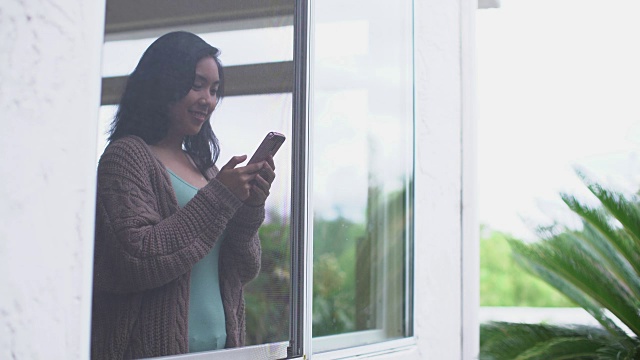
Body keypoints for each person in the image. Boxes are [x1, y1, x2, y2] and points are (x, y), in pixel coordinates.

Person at [91, 31, 276, 359]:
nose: (209, 99)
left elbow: (243, 269)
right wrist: (221, 197)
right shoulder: (126, 157)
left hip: (222, 352)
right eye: (197, 85)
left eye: (215, 90)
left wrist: (249, 207)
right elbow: (138, 258)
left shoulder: (205, 169)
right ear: (163, 83)